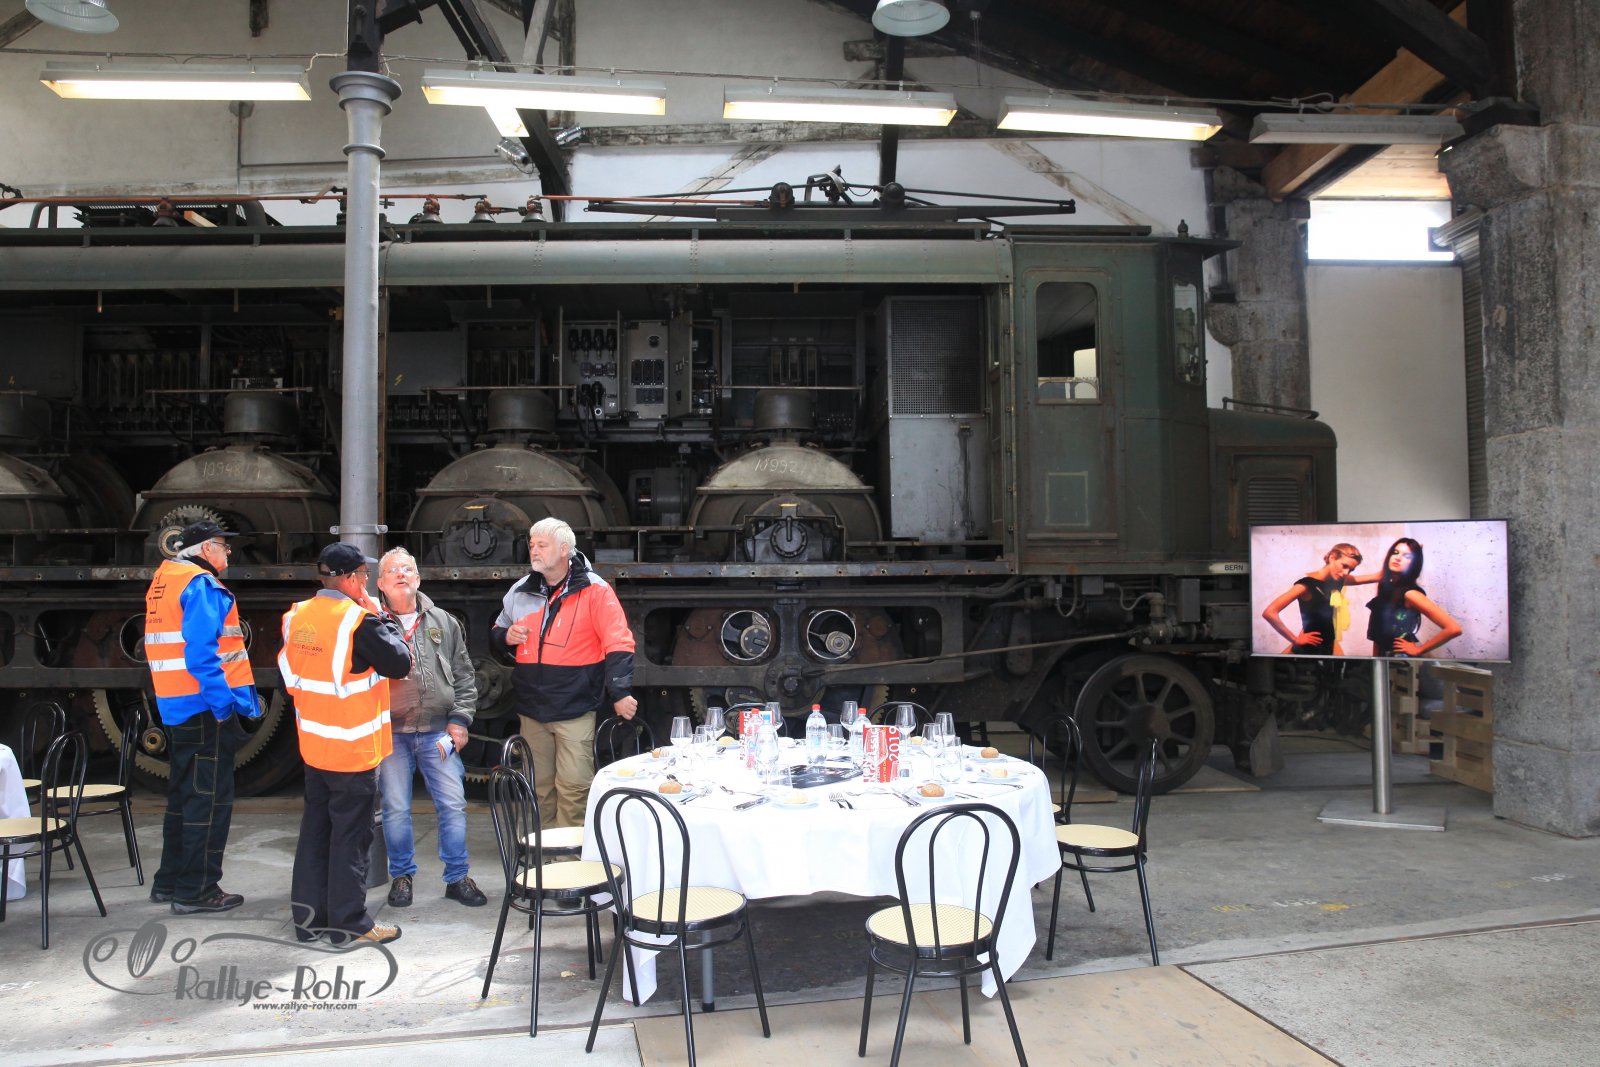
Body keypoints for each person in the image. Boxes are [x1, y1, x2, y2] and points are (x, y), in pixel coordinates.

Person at [280, 543, 412, 945]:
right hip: (352, 752)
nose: (365, 582)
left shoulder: (297, 615)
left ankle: (308, 923)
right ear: (352, 579)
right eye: (364, 575)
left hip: (315, 747)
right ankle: (349, 925)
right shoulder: (359, 622)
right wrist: (380, 616)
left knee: (315, 835)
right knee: (351, 841)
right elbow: (400, 662)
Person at [143, 520, 260, 915]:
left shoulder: (165, 579)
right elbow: (201, 655)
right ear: (206, 548)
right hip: (204, 707)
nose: (229, 552)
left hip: (175, 704)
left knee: (183, 797)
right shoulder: (202, 585)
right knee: (208, 802)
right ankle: (197, 890)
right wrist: (224, 705)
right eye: (224, 546)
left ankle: (170, 881)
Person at [492, 517, 637, 828]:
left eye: (542, 545)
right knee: (538, 787)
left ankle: (569, 854)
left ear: (564, 550)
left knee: (574, 788)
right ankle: (544, 851)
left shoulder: (596, 590)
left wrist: (620, 692)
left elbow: (618, 642)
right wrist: (505, 636)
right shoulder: (520, 590)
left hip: (574, 707)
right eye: (532, 544)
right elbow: (497, 631)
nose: (534, 550)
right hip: (532, 708)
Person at [374, 547, 487, 909]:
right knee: (395, 808)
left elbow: (465, 676)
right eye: (393, 570)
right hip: (392, 732)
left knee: (453, 805)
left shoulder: (444, 622)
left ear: (419, 579)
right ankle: (402, 877)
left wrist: (460, 720)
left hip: (439, 731)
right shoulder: (370, 622)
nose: (401, 574)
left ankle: (457, 878)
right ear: (380, 583)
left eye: (408, 569)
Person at [1365, 536, 1464, 658]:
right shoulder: (1386, 586)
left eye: (1407, 556)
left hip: (1400, 660)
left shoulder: (1411, 594)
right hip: (1383, 659)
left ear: (1414, 563)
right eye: (1395, 552)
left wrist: (1419, 650)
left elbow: (1454, 628)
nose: (1398, 558)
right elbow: (1378, 635)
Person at [1261, 542, 1366, 656]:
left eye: (1351, 570)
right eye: (1344, 566)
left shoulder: (1337, 581)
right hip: (1310, 651)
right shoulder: (1306, 585)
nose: (1346, 572)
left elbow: (1374, 577)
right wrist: (1295, 639)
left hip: (1327, 647)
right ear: (1332, 558)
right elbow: (1269, 612)